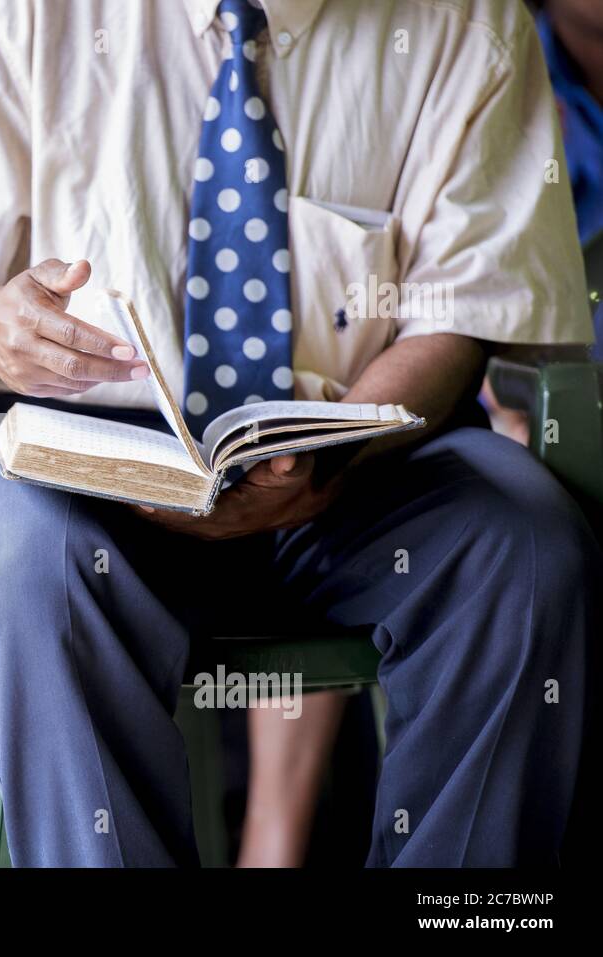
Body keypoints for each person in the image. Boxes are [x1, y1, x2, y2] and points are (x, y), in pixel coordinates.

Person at [0, 0, 599, 866]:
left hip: (362, 462)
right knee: (28, 561)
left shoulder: (464, 17)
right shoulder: (12, 12)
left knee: (525, 548)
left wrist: (335, 450)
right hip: (96, 472)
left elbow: (456, 320)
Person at [240, 0, 603, 868]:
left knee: (510, 535)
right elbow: (479, 310)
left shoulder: (471, 39)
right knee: (447, 507)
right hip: (452, 415)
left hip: (480, 422)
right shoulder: (494, 54)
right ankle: (273, 834)